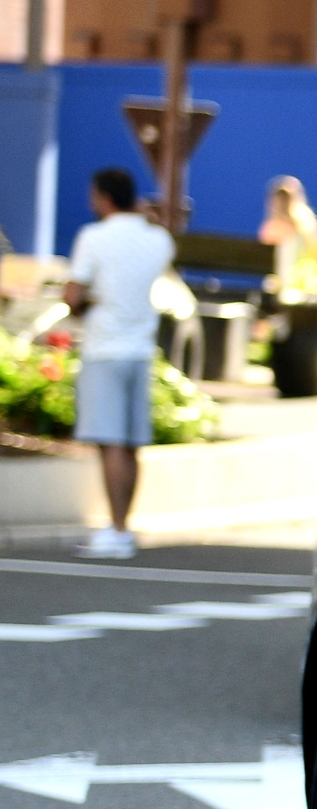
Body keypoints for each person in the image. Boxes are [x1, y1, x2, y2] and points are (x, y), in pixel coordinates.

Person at [62, 167, 174, 560]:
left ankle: (117, 528)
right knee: (130, 444)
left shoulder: (94, 237)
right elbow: (164, 239)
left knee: (109, 442)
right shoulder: (157, 239)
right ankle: (125, 524)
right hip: (140, 349)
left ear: (105, 198)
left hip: (104, 347)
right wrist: (151, 216)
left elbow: (73, 295)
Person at [257, 175, 317, 302]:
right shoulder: (272, 226)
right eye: (279, 198)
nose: (282, 202)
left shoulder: (306, 224)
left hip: (304, 279)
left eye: (286, 197)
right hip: (279, 282)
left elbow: (316, 254)